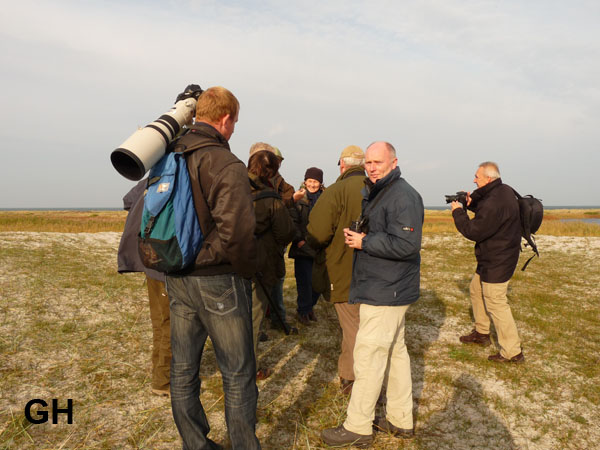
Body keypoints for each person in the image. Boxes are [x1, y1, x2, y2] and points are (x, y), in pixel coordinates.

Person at [165, 86, 260, 449]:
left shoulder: (170, 151)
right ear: (226, 119)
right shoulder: (225, 162)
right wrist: (248, 270)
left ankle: (195, 444)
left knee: (183, 369)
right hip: (218, 277)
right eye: (234, 122)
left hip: (177, 274)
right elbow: (237, 232)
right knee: (237, 372)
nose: (233, 129)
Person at [321, 141, 424, 447]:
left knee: (368, 356)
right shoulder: (380, 191)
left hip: (387, 289)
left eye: (378, 162)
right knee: (394, 353)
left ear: (394, 162)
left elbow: (407, 245)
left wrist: (364, 242)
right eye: (368, 162)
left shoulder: (402, 195)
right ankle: (400, 419)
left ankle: (358, 426)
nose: (372, 167)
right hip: (385, 285)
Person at [306, 145, 365, 395]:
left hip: (344, 270)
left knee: (353, 327)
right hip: (381, 274)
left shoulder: (336, 191)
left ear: (342, 164)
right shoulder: (382, 188)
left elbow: (317, 233)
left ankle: (352, 380)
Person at [451, 161, 524, 363]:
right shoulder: (503, 191)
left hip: (498, 260)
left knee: (496, 302)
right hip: (492, 256)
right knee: (475, 289)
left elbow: (474, 231)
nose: (474, 180)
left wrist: (458, 212)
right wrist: (470, 201)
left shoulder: (495, 201)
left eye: (477, 176)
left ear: (488, 178)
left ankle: (513, 352)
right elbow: (486, 209)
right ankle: (482, 333)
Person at [117, 180, 171, 398]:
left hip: (149, 260)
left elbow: (128, 201)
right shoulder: (174, 177)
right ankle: (163, 380)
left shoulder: (152, 179)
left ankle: (158, 369)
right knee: (170, 324)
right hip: (166, 261)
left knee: (159, 321)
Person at [247, 148, 295, 380]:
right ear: (272, 171)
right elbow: (285, 232)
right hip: (260, 264)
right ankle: (250, 367)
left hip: (228, 263)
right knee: (254, 318)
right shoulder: (270, 198)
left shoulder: (230, 188)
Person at [288, 167, 324, 325]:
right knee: (304, 282)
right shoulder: (299, 198)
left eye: (315, 181)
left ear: (320, 183)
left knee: (317, 283)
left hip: (319, 248)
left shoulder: (326, 198)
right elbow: (292, 221)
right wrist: (299, 241)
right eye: (310, 181)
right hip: (302, 247)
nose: (312, 184)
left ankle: (310, 307)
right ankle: (303, 311)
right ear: (305, 181)